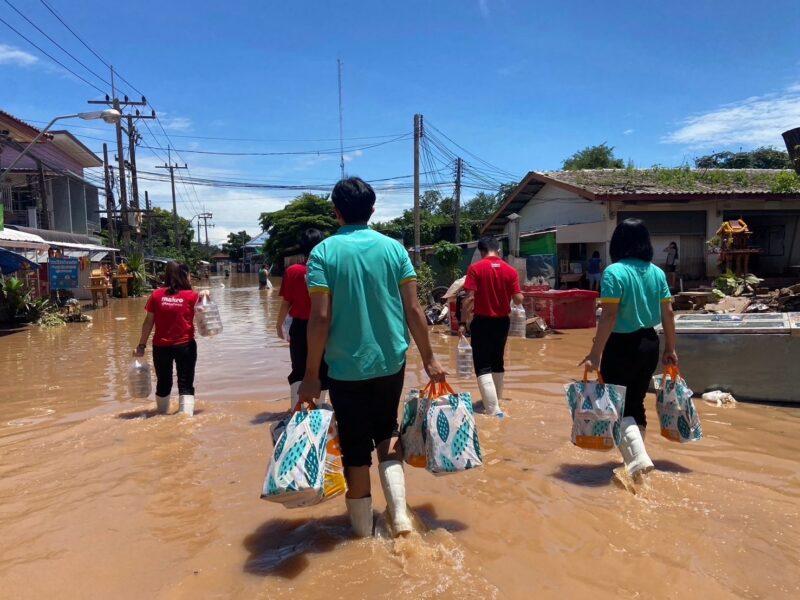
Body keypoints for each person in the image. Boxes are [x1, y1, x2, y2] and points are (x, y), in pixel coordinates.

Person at [299, 177, 446, 538]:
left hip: (345, 368)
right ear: (373, 211)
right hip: (390, 362)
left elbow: (319, 318)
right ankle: (399, 518)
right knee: (386, 433)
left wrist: (311, 374)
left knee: (354, 446)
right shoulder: (395, 250)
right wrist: (429, 358)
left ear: (336, 212)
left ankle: (363, 535)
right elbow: (414, 310)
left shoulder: (322, 254)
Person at [581, 219, 677, 479]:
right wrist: (671, 347)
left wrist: (595, 354)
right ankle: (636, 464)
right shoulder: (657, 272)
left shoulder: (614, 272)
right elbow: (668, 312)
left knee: (616, 406)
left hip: (621, 345)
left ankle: (638, 461)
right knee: (636, 403)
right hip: (649, 344)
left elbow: (609, 316)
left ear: (618, 243)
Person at [460, 236, 523, 417]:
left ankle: (493, 410)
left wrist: (463, 323)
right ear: (498, 251)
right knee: (497, 362)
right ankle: (497, 403)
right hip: (503, 323)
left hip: (482, 322)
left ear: (481, 252)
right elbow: (518, 299)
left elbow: (469, 299)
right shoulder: (511, 271)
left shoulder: (475, 269)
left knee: (482, 366)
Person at [134, 261, 208, 416]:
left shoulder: (156, 295)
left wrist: (141, 346)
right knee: (185, 384)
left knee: (163, 383)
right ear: (185, 276)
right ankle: (185, 419)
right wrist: (206, 294)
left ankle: (160, 416)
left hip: (161, 347)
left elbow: (148, 322)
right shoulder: (192, 296)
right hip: (185, 346)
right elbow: (207, 314)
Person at [277, 229, 328, 409]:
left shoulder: (293, 271)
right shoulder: (328, 269)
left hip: (299, 328)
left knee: (298, 369)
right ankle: (322, 413)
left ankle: (295, 411)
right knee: (324, 369)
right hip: (325, 327)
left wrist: (278, 325)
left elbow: (286, 304)